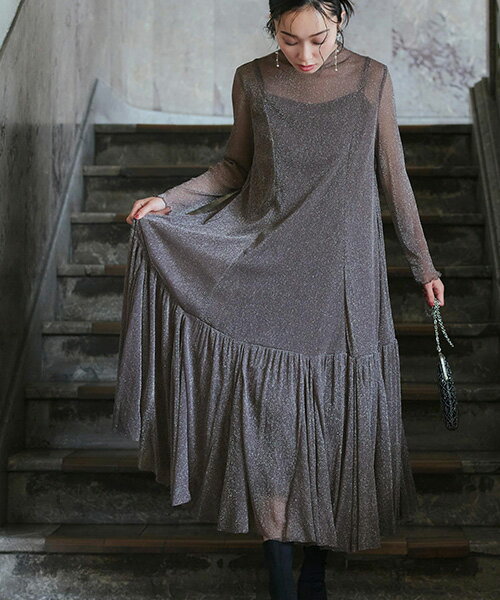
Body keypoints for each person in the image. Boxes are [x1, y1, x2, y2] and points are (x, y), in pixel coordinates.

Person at [113, 1, 445, 598]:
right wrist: (170, 201)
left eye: (318, 38)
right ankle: (280, 581)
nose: (305, 54)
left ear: (340, 18)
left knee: (335, 427)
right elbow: (233, 167)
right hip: (266, 269)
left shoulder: (372, 79)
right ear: (273, 29)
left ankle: (315, 570)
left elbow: (394, 178)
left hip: (343, 278)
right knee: (270, 432)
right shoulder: (253, 78)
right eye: (289, 40)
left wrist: (423, 265)